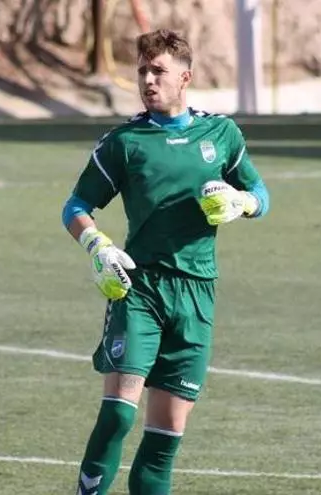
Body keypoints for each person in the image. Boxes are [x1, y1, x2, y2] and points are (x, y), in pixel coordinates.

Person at [62, 29, 270, 495]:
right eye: (142, 71)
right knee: (118, 414)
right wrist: (98, 247)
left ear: (185, 78)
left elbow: (260, 192)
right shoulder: (125, 142)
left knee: (164, 439)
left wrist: (242, 203)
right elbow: (76, 206)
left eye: (158, 71)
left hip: (197, 294)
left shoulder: (221, 134)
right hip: (139, 288)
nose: (148, 80)